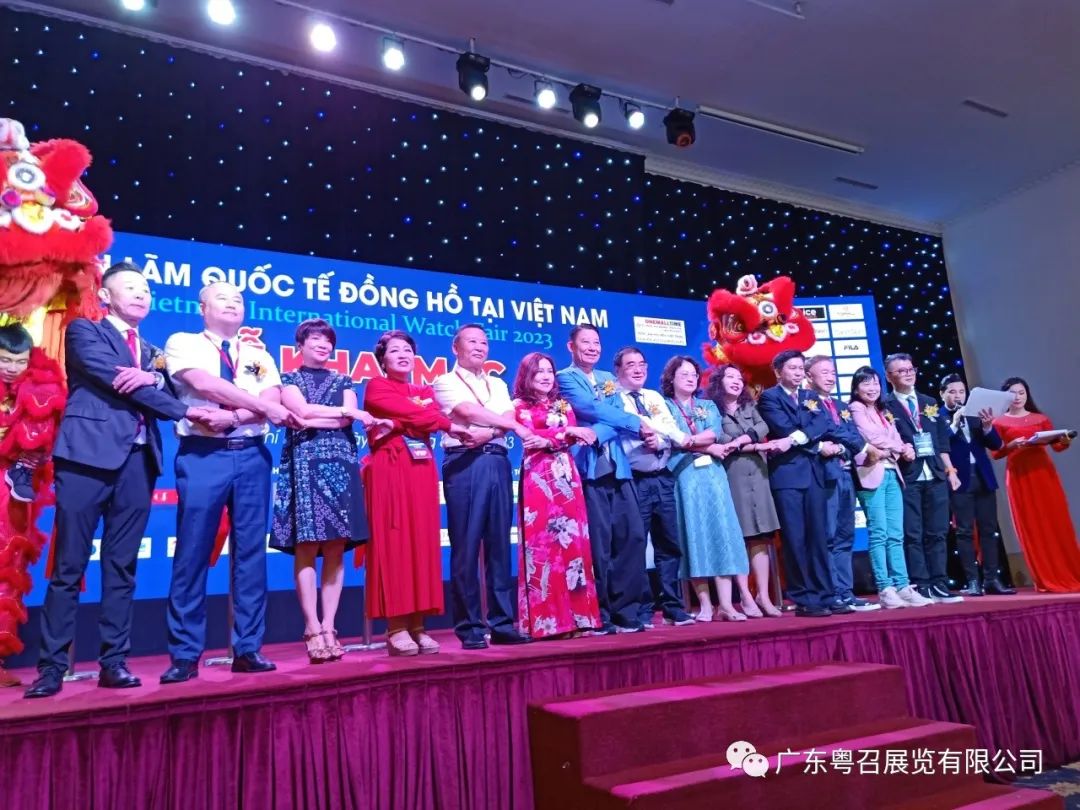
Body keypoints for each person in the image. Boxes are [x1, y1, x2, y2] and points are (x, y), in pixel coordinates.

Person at [25, 262, 213, 699]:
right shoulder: (84, 331)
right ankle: (51, 669)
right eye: (131, 287)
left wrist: (154, 377)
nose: (142, 294)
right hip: (86, 458)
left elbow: (165, 387)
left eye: (146, 289)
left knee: (122, 566)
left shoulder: (151, 351)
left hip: (138, 462)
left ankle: (113, 663)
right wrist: (184, 409)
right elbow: (118, 380)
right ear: (107, 296)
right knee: (69, 566)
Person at [160, 281, 296, 685]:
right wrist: (258, 406)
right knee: (192, 552)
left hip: (252, 456)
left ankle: (248, 648)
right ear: (202, 307)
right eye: (223, 298)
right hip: (203, 454)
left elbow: (272, 400)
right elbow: (205, 384)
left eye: (239, 299)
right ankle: (185, 653)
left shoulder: (258, 354)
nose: (233, 303)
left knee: (251, 554)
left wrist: (235, 417)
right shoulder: (183, 342)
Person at [271, 319, 384, 663]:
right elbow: (301, 411)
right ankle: (311, 627)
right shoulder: (288, 379)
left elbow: (341, 421)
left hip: (341, 463)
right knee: (307, 546)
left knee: (336, 548)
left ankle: (330, 626)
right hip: (303, 464)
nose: (323, 345)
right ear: (300, 345)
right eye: (316, 339)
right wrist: (343, 411)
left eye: (328, 341)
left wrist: (326, 417)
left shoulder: (343, 380)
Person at [362, 330, 471, 655]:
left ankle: (418, 625)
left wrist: (396, 423)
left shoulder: (423, 390)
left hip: (421, 469)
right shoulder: (376, 386)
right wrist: (428, 422)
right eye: (394, 350)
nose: (402, 355)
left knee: (422, 543)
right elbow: (421, 417)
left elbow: (428, 417)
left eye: (408, 350)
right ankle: (396, 627)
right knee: (394, 541)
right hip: (390, 467)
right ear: (382, 359)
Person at [433, 324, 533, 650]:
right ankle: (470, 627)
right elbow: (466, 411)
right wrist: (509, 425)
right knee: (465, 546)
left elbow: (505, 414)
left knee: (499, 546)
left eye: (484, 342)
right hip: (465, 462)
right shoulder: (444, 381)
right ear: (456, 348)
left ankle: (502, 623)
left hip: (498, 461)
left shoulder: (498, 383)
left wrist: (491, 431)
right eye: (472, 341)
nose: (479, 347)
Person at [557, 325, 653, 634]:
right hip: (589, 470)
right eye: (585, 342)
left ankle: (626, 611)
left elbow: (609, 416)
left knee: (633, 537)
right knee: (599, 544)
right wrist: (633, 422)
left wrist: (597, 431)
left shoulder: (607, 378)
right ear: (571, 346)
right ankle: (599, 613)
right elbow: (589, 407)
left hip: (618, 468)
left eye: (596, 342)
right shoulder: (564, 378)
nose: (592, 347)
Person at [511, 352, 601, 639]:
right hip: (538, 476)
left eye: (549, 371)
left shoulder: (562, 404)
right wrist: (567, 431)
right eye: (539, 371)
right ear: (527, 375)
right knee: (543, 548)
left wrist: (564, 433)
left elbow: (568, 437)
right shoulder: (518, 406)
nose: (546, 376)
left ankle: (580, 620)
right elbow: (531, 437)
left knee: (574, 544)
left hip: (567, 476)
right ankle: (549, 623)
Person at [662, 357, 751, 622]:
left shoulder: (707, 405)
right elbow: (670, 436)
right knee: (694, 535)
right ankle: (704, 604)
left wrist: (690, 441)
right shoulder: (664, 406)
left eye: (694, 374)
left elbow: (713, 432)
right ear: (671, 378)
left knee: (721, 533)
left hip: (713, 476)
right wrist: (706, 447)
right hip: (684, 476)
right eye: (684, 374)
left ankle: (726, 604)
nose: (691, 379)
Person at [612, 347, 695, 628]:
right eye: (630, 365)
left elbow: (668, 429)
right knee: (635, 546)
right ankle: (642, 609)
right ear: (618, 370)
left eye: (642, 364)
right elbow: (626, 433)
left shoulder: (653, 397)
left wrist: (659, 441)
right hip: (634, 479)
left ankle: (673, 607)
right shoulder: (614, 399)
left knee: (669, 543)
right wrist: (650, 436)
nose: (638, 369)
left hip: (662, 476)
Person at [757, 350, 844, 617]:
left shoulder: (809, 396)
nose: (797, 373)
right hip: (787, 477)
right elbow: (783, 427)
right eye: (792, 368)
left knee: (819, 536)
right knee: (796, 539)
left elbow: (822, 423)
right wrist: (809, 438)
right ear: (778, 372)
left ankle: (826, 594)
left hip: (814, 474)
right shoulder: (769, 397)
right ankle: (804, 598)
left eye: (800, 368)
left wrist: (797, 439)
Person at [848, 366, 933, 609]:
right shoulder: (855, 408)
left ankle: (903, 586)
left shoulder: (882, 410)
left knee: (896, 534)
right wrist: (899, 448)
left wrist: (904, 447)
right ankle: (885, 588)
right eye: (866, 383)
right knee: (879, 533)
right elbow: (870, 436)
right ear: (856, 388)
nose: (872, 388)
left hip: (892, 473)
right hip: (870, 474)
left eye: (875, 383)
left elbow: (894, 436)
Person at [883, 353, 964, 604]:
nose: (908, 374)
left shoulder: (928, 402)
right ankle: (921, 584)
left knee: (938, 531)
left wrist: (950, 471)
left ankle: (940, 583)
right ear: (889, 376)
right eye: (901, 371)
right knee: (913, 533)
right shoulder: (885, 405)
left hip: (935, 472)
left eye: (910, 369)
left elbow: (941, 442)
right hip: (908, 475)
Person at [804, 356, 880, 613]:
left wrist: (846, 449)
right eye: (824, 372)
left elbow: (852, 435)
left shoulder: (840, 405)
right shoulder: (807, 402)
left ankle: (846, 592)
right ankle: (831, 593)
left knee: (845, 535)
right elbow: (822, 433)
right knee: (827, 535)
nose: (830, 377)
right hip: (824, 475)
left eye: (832, 372)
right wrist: (838, 446)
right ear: (809, 376)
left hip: (847, 474)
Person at [708, 364, 784, 617]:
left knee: (761, 537)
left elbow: (763, 428)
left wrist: (743, 440)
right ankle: (745, 595)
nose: (736, 381)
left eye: (739, 378)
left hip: (758, 476)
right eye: (730, 377)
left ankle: (764, 595)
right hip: (733, 477)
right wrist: (755, 446)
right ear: (718, 381)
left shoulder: (749, 406)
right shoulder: (711, 409)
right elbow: (721, 441)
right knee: (738, 536)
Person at [991, 377, 1080, 593]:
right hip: (1019, 477)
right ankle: (1045, 576)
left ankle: (1069, 571)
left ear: (1027, 394)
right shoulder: (999, 422)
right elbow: (996, 453)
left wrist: (1065, 440)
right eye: (1013, 393)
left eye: (1021, 392)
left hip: (1044, 475)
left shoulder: (1041, 418)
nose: (1018, 397)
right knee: (1031, 525)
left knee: (1056, 521)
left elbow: (1057, 447)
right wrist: (1012, 445)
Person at [940, 374, 1016, 596]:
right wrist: (954, 424)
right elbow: (940, 445)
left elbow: (997, 445)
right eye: (952, 392)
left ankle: (991, 579)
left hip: (983, 477)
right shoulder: (937, 416)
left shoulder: (975, 413)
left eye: (961, 391)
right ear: (942, 394)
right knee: (964, 531)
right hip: (959, 479)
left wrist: (987, 427)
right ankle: (973, 580)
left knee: (989, 530)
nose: (958, 396)